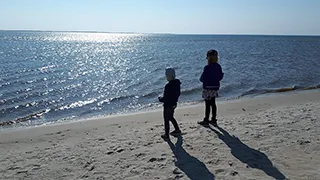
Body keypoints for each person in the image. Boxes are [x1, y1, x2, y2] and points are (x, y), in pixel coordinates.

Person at [198, 49, 224, 126]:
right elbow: (220, 77)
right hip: (215, 87)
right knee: (213, 103)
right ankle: (213, 119)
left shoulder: (207, 67)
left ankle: (206, 119)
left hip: (207, 87)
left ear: (208, 58)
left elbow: (202, 78)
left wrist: (202, 80)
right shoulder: (218, 66)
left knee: (207, 104)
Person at [158, 68, 182, 139]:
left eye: (166, 75)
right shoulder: (177, 84)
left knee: (166, 119)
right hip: (174, 104)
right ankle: (177, 130)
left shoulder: (168, 86)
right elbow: (177, 94)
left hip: (168, 105)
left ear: (170, 76)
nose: (166, 77)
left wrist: (160, 99)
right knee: (171, 117)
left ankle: (166, 134)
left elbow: (166, 98)